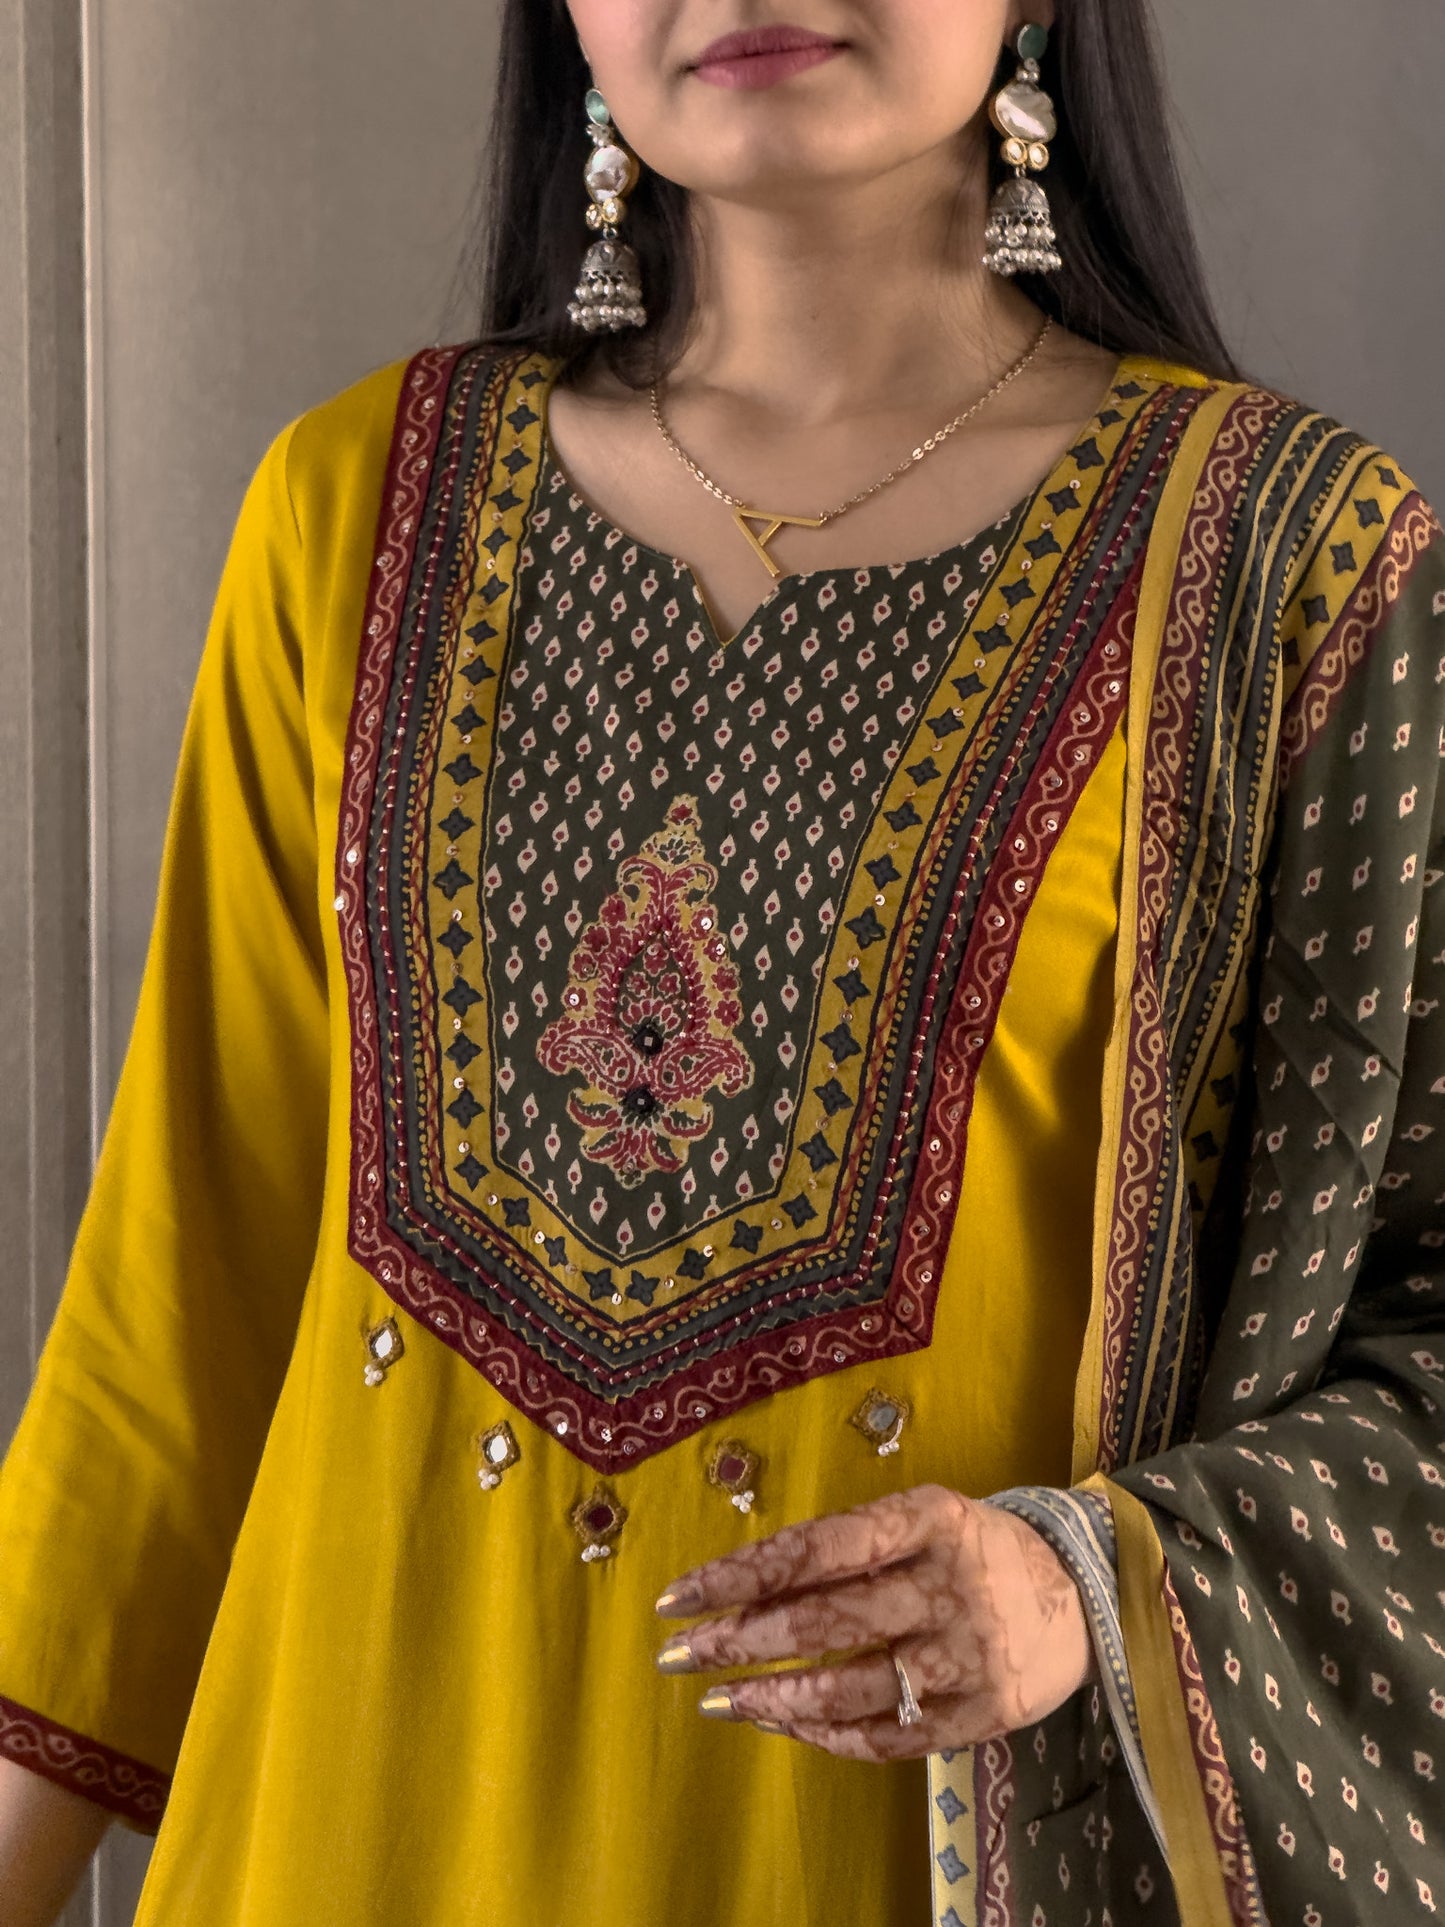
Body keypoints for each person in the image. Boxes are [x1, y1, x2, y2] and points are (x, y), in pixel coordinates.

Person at [1, 1, 1441, 1921]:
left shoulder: (1285, 572)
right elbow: (177, 1312)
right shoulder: (349, 512)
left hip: (892, 1854)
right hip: (333, 1836)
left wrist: (1087, 1590)